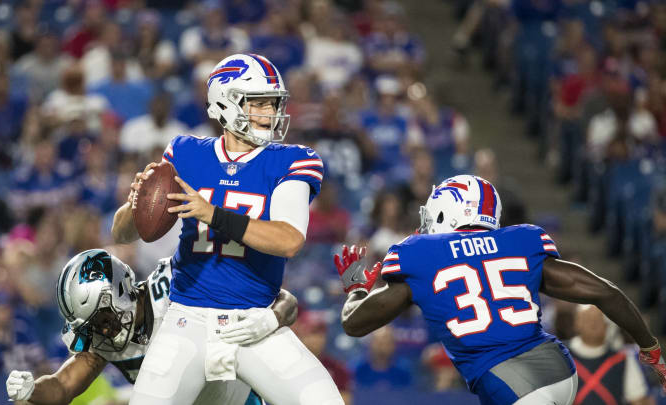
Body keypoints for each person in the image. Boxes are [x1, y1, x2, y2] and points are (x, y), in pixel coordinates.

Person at [113, 53, 343, 405]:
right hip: (186, 319)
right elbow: (124, 234)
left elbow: (289, 240)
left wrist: (213, 214)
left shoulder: (293, 159)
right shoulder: (185, 152)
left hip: (253, 323)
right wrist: (137, 203)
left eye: (274, 103)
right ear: (226, 103)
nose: (271, 113)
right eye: (259, 103)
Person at [333, 174, 666, 405]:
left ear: (447, 212)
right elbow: (604, 291)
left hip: (512, 383)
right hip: (560, 369)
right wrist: (650, 348)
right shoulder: (520, 240)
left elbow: (354, 324)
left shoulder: (420, 254)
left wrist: (354, 289)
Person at [5, 249, 299, 404]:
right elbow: (63, 385)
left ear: (121, 288)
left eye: (104, 320)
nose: (105, 332)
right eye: (94, 328)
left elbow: (285, 299)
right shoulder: (105, 345)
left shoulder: (180, 283)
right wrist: (31, 389)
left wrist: (269, 318)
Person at [567, 305, 651, 405]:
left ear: (606, 325)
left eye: (598, 320)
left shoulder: (622, 359)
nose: (593, 324)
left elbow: (638, 399)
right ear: (576, 323)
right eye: (587, 319)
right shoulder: (560, 356)